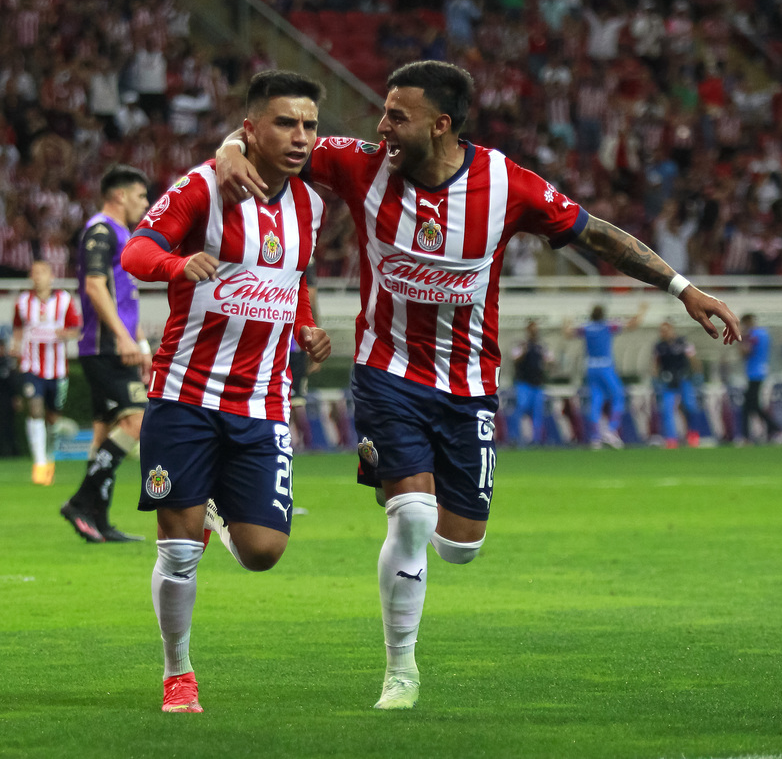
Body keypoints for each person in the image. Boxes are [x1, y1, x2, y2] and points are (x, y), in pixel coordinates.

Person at [214, 59, 742, 711]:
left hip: (468, 385)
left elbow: (597, 235)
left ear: (440, 125)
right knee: (411, 516)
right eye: (383, 113)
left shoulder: (505, 184)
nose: (381, 127)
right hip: (387, 373)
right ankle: (400, 670)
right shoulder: (360, 165)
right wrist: (230, 148)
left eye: (397, 116)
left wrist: (683, 289)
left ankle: (409, 497)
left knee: (460, 547)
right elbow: (270, 141)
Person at [120, 70, 332, 714]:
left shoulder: (310, 205)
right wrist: (176, 263)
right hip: (185, 395)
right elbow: (136, 251)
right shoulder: (203, 188)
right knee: (180, 550)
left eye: (309, 125)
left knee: (264, 553)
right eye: (285, 123)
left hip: (263, 403)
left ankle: (215, 505)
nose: (300, 137)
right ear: (250, 128)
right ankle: (177, 674)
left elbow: (290, 279)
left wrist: (305, 326)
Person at [59, 165, 151, 544]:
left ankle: (98, 518)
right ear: (120, 195)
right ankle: (80, 501)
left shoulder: (123, 234)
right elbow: (95, 287)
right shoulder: (100, 231)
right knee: (137, 423)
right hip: (105, 347)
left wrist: (141, 344)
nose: (146, 203)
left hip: (119, 345)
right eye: (141, 196)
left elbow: (124, 299)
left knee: (103, 432)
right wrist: (124, 340)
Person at [11, 259, 81, 486]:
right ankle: (40, 463)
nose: (37, 276)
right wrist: (16, 345)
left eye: (42, 272)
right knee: (35, 409)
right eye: (34, 273)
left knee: (53, 419)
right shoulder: (23, 302)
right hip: (31, 367)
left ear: (51, 276)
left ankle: (49, 457)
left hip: (57, 369)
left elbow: (76, 329)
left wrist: (64, 334)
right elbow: (18, 328)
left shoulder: (64, 300)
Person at [566, 303, 647, 449]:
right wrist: (642, 310)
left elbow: (568, 333)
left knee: (596, 399)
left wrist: (567, 320)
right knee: (618, 395)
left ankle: (595, 437)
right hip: (605, 366)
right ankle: (611, 430)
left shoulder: (586, 328)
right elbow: (632, 325)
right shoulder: (607, 326)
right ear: (603, 315)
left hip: (590, 367)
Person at [653, 320, 701, 448]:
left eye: (665, 330)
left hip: (683, 378)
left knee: (690, 406)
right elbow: (655, 363)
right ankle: (671, 439)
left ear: (671, 330)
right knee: (667, 409)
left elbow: (693, 359)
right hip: (668, 380)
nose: (663, 333)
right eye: (661, 331)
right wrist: (655, 379)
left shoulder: (683, 342)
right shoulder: (659, 346)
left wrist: (697, 374)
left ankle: (693, 435)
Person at [738, 313, 782, 444]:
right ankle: (752, 434)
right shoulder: (764, 333)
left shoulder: (754, 335)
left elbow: (745, 351)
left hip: (754, 373)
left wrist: (740, 339)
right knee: (749, 406)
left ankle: (775, 429)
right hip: (761, 371)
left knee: (752, 406)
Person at [510, 319, 550, 446]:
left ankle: (537, 440)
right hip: (524, 383)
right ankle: (515, 438)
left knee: (537, 413)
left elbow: (549, 361)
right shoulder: (522, 345)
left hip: (537, 384)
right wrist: (524, 350)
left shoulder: (541, 346)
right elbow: (515, 359)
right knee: (521, 408)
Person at [0, 338, 20, 457]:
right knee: (2, 427)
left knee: (6, 427)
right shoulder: (0, 362)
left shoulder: (4, 363)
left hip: (4, 400)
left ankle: (9, 452)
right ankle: (5, 452)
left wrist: (15, 397)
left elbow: (10, 382)